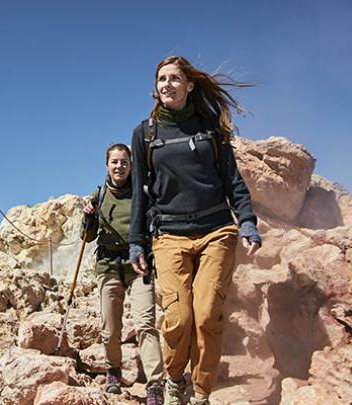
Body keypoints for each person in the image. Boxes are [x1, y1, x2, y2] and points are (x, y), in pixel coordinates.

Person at [128, 56, 262, 405]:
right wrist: (136, 244)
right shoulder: (145, 134)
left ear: (190, 86)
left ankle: (201, 393)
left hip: (216, 230)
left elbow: (233, 181)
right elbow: (140, 192)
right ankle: (175, 380)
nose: (167, 84)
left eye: (174, 79)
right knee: (177, 318)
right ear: (154, 89)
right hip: (169, 235)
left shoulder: (211, 130)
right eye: (161, 79)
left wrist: (246, 220)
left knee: (206, 316)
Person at [83, 143, 164, 405]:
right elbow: (87, 237)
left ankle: (154, 384)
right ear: (107, 165)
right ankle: (113, 371)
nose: (119, 166)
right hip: (108, 266)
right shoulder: (99, 195)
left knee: (145, 324)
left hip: (139, 264)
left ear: (131, 165)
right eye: (114, 162)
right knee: (110, 329)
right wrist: (89, 218)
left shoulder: (143, 193)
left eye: (124, 162)